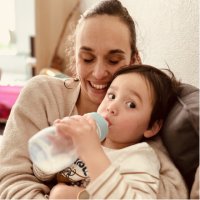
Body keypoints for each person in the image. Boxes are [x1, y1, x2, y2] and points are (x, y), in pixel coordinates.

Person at [0, 0, 188, 199]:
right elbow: (11, 180)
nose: (98, 73)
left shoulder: (141, 136)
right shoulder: (43, 95)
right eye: (87, 58)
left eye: (114, 60)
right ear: (75, 58)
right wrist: (55, 149)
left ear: (134, 61)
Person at [33, 64, 181, 199]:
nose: (112, 107)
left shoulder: (138, 158)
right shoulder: (86, 133)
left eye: (131, 104)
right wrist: (56, 147)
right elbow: (41, 175)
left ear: (152, 127)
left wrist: (91, 153)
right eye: (111, 96)